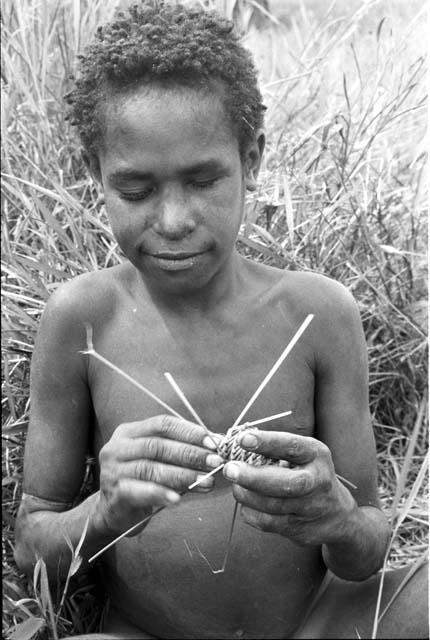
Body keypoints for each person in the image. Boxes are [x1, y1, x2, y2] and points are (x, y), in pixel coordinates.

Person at [14, 2, 427, 638]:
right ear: (95, 174)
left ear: (252, 160)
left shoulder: (317, 315)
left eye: (204, 179)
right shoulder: (82, 321)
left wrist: (336, 518)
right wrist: (106, 510)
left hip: (319, 623)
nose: (174, 219)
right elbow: (32, 545)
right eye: (135, 190)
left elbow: (367, 546)